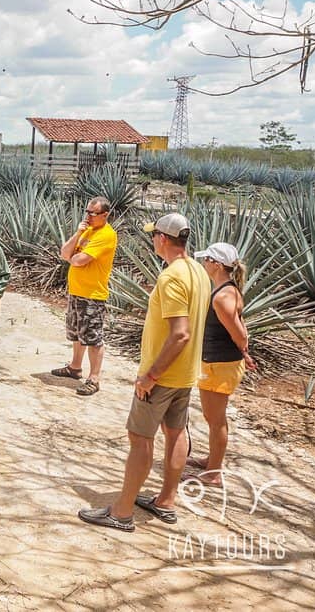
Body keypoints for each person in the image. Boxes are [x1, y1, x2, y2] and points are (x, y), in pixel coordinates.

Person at [78, 212, 210, 531]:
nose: (152, 239)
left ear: (163, 239)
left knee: (140, 438)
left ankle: (121, 512)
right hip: (185, 375)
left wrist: (150, 375)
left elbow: (180, 333)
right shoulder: (199, 272)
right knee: (176, 433)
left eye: (154, 235)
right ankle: (166, 500)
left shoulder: (172, 277)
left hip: (162, 376)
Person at [187, 242, 256, 485]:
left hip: (219, 364)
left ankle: (214, 473)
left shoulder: (223, 296)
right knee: (213, 417)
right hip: (220, 363)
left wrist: (243, 348)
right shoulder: (228, 289)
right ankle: (211, 461)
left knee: (215, 420)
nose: (203, 263)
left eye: (206, 259)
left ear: (216, 264)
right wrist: (244, 353)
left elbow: (240, 333)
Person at [52, 196, 118, 396]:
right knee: (76, 332)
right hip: (76, 291)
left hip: (93, 294)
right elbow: (65, 253)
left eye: (93, 213)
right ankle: (75, 367)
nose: (88, 215)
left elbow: (80, 260)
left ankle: (94, 378)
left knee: (92, 337)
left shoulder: (106, 235)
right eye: (87, 211)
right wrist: (78, 232)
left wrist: (72, 258)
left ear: (104, 215)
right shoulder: (87, 230)